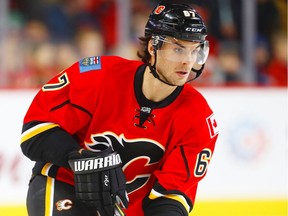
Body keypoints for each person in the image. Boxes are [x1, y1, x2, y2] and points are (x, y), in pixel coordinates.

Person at [20, 1, 219, 216]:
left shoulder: (199, 117)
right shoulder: (98, 75)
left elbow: (171, 197)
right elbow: (34, 132)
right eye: (178, 49)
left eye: (194, 50)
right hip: (64, 185)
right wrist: (77, 157)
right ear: (153, 47)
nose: (187, 61)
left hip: (122, 209)